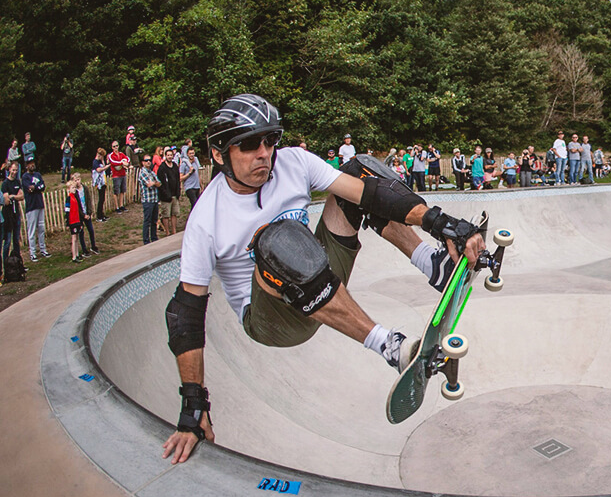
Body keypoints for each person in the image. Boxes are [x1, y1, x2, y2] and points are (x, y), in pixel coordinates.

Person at [159, 94, 486, 464]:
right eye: (249, 145)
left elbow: (371, 193)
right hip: (273, 318)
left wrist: (440, 222)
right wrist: (193, 406)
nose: (264, 153)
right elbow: (185, 315)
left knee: (360, 171)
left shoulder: (294, 163)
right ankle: (390, 347)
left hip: (320, 271)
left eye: (270, 140)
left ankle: (433, 265)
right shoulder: (205, 220)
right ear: (219, 155)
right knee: (276, 239)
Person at [1, 162, 23, 267]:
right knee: (8, 241)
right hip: (8, 214)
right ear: (9, 169)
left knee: (16, 240)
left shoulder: (18, 182)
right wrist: (13, 197)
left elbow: (22, 196)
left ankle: (18, 262)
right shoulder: (5, 183)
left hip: (16, 213)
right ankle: (6, 263)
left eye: (16, 170)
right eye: (13, 170)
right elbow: (6, 200)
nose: (14, 172)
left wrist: (13, 196)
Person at [71, 173, 99, 256]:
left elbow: (89, 201)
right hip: (80, 215)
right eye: (75, 180)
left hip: (87, 212)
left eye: (78, 180)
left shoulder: (85, 188)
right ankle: (84, 250)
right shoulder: (74, 192)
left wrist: (89, 212)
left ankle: (93, 246)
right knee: (81, 232)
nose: (77, 182)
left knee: (91, 230)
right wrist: (83, 215)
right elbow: (77, 206)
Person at [158, 148, 182, 236]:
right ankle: (167, 232)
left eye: (171, 155)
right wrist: (166, 194)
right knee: (166, 215)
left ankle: (174, 231)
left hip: (174, 194)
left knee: (174, 213)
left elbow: (178, 179)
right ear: (165, 156)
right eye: (168, 155)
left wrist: (178, 192)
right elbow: (161, 183)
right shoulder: (162, 168)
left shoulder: (175, 166)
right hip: (165, 196)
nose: (169, 157)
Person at [108, 140, 130, 212]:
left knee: (122, 191)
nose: (115, 147)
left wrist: (126, 162)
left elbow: (128, 158)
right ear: (112, 147)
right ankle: (117, 207)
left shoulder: (121, 154)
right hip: (116, 175)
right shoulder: (111, 155)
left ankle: (121, 205)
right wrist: (122, 163)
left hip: (122, 174)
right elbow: (113, 162)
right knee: (116, 191)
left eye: (117, 146)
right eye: (114, 146)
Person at [90, 148, 109, 222]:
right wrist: (105, 167)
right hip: (99, 183)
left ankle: (102, 214)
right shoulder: (95, 162)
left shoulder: (99, 161)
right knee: (101, 199)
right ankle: (99, 216)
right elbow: (99, 170)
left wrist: (102, 161)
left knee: (103, 199)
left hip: (103, 182)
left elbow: (103, 166)